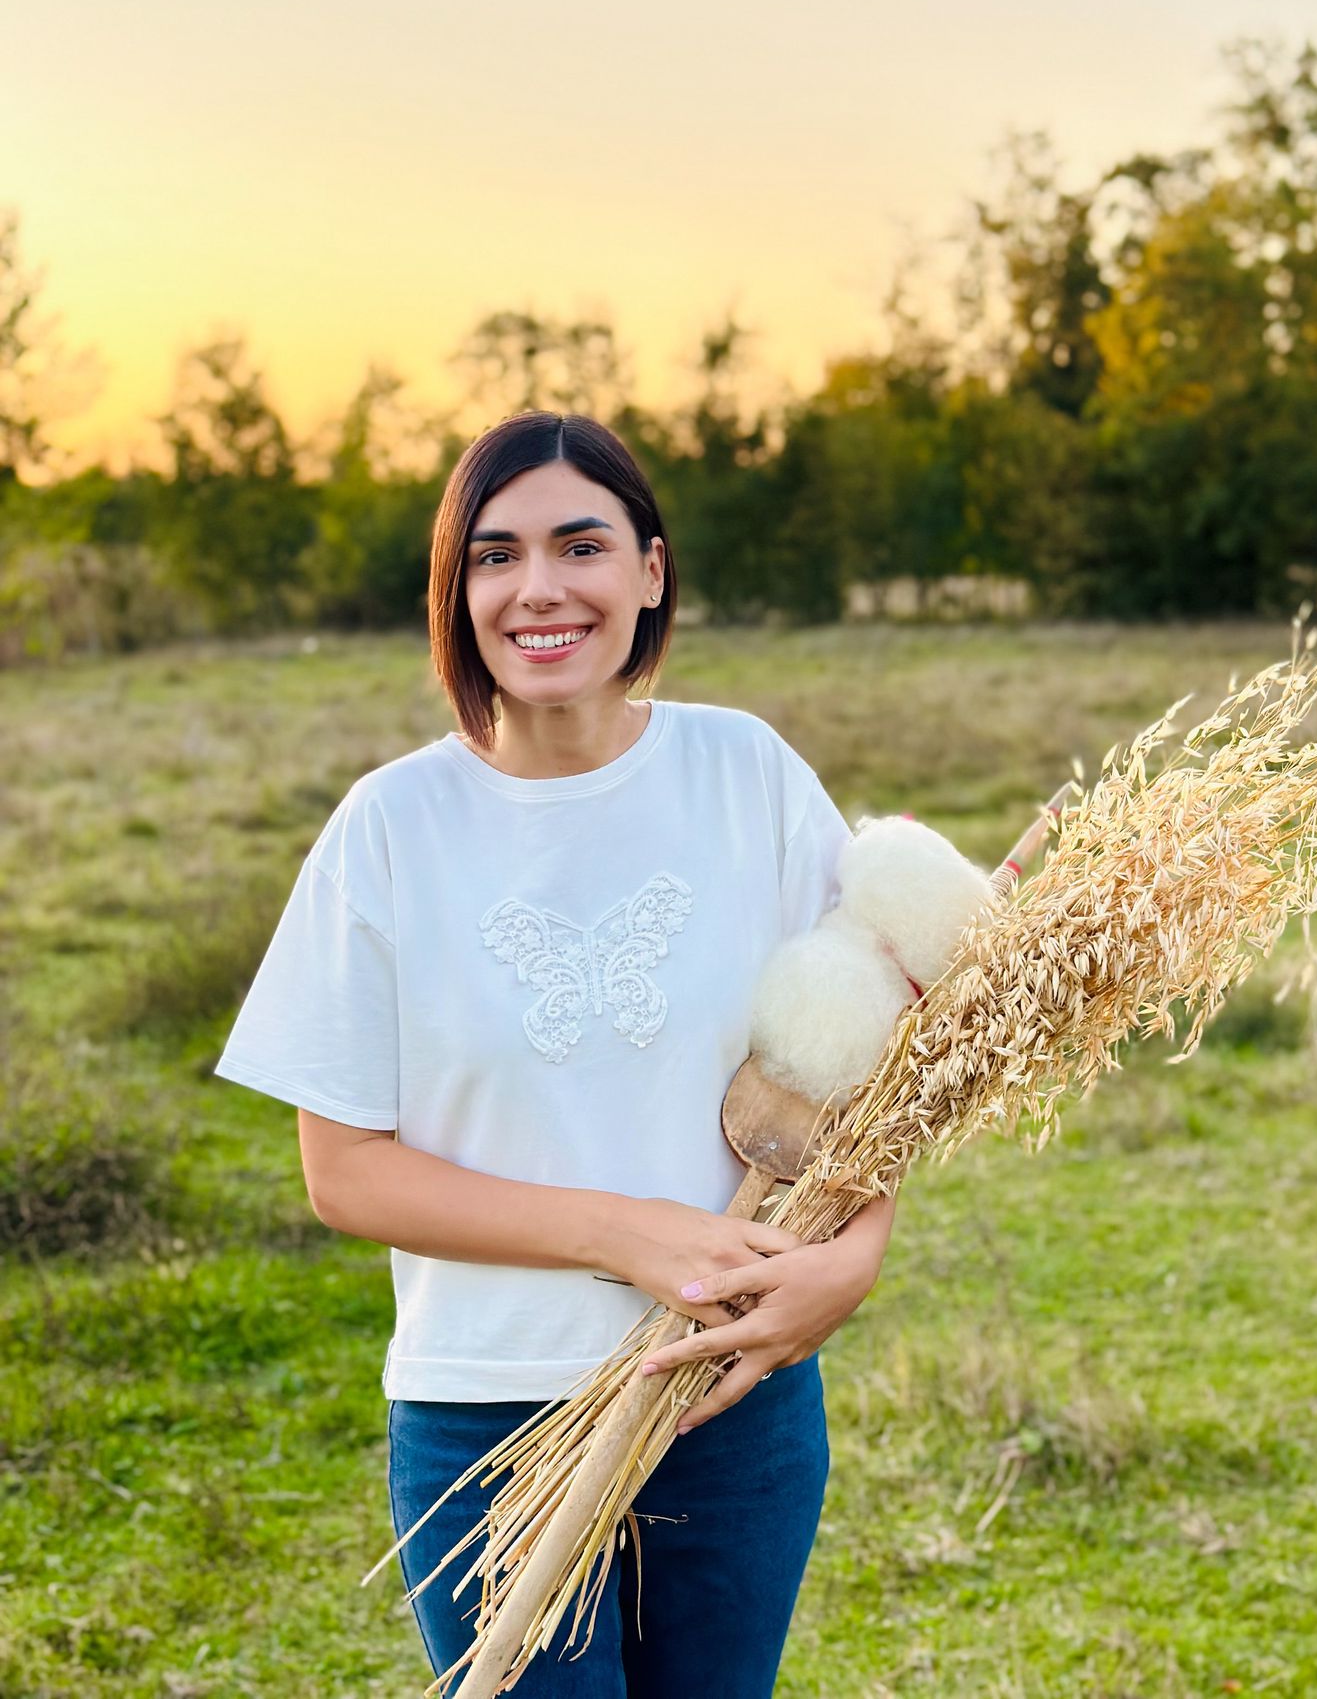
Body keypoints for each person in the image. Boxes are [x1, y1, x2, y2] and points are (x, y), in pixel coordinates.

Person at [213, 411, 897, 1696]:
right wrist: (623, 1233)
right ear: (454, 592)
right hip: (486, 1414)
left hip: (730, 1402)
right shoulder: (392, 826)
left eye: (579, 545)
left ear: (648, 570)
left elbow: (867, 1065)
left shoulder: (744, 774)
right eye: (493, 555)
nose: (538, 588)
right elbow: (345, 1173)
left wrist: (848, 1265)